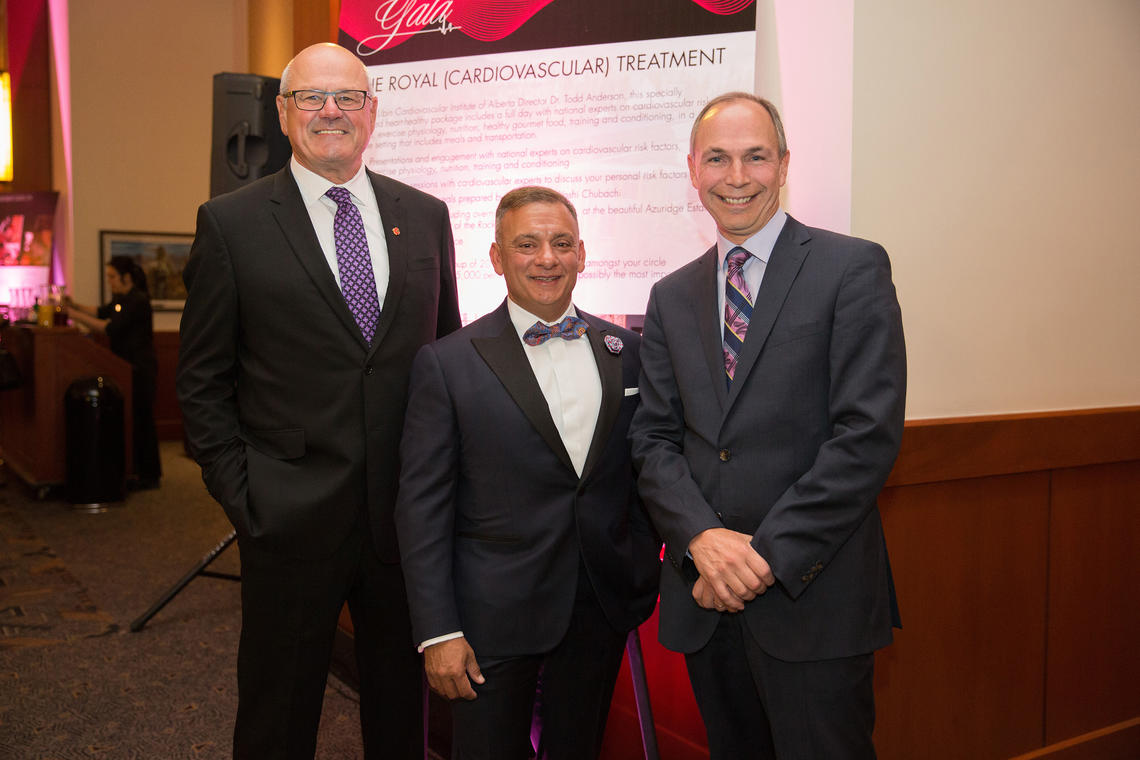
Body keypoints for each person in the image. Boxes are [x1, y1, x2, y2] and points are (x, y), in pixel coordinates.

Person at [176, 42, 461, 759]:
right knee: (278, 714)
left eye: (347, 98)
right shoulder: (231, 224)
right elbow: (201, 382)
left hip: (405, 522)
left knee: (403, 715)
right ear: (282, 111)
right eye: (311, 97)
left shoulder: (425, 217)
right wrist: (248, 498)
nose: (330, 112)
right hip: (287, 518)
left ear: (372, 112)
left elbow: (448, 360)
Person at [629, 92, 906, 759]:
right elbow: (654, 438)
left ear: (784, 165)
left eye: (755, 157)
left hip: (814, 599)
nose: (736, 176)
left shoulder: (851, 267)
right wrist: (700, 538)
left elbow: (865, 434)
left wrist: (759, 556)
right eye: (718, 159)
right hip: (707, 601)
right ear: (693, 169)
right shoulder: (670, 296)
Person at [394, 186, 660, 760]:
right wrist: (439, 630)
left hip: (599, 603)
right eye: (527, 244)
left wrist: (637, 565)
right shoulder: (446, 364)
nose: (547, 258)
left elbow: (645, 470)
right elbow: (422, 509)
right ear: (496, 257)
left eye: (561, 243)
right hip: (490, 615)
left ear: (583, 254)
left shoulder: (630, 351)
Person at [65, 255, 161, 488]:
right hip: (125, 367)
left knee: (142, 420)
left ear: (126, 277)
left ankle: (148, 475)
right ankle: (136, 470)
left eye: (112, 277)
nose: (109, 282)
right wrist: (74, 305)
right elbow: (101, 311)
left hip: (139, 368)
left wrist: (73, 315)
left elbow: (110, 327)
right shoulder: (121, 299)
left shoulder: (137, 300)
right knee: (133, 419)